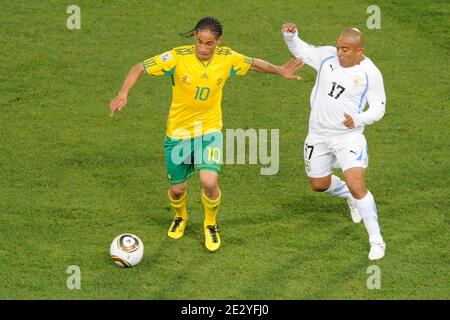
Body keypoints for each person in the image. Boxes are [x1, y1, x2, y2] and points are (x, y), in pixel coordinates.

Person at [109, 17, 303, 253]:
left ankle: (210, 223)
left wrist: (280, 70)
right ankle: (180, 217)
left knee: (209, 182)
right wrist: (123, 93)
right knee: (177, 189)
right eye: (199, 42)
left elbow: (254, 64)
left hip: (209, 130)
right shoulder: (177, 57)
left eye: (209, 43)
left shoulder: (227, 57)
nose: (203, 48)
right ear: (194, 39)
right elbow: (139, 67)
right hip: (178, 133)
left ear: (218, 41)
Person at [282, 23, 387, 260]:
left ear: (359, 51)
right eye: (339, 47)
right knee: (318, 184)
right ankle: (348, 195)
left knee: (357, 184)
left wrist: (358, 119)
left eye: (346, 49)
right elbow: (301, 50)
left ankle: (376, 240)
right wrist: (290, 35)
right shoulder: (327, 56)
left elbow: (379, 107)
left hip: (348, 137)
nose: (339, 52)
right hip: (317, 135)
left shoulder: (371, 73)